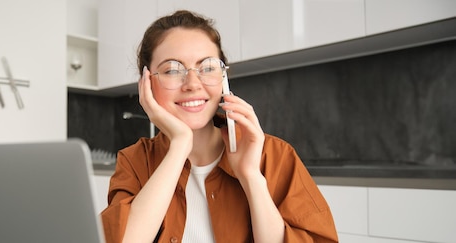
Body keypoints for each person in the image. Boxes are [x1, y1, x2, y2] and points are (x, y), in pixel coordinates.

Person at [101, 10, 338, 243]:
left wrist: (251, 177)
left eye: (208, 67)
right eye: (173, 70)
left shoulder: (275, 156)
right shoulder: (135, 160)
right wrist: (180, 145)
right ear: (147, 83)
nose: (193, 84)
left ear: (223, 77)